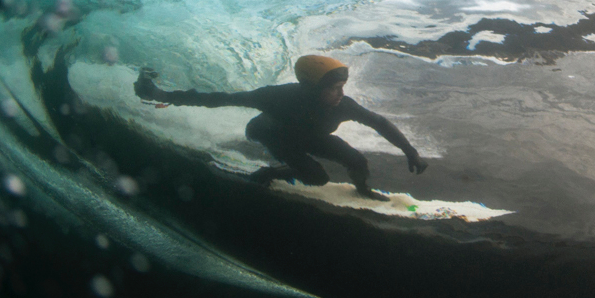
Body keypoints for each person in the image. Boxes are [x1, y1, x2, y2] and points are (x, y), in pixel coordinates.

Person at [133, 55, 427, 201]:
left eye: (342, 87)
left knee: (357, 161)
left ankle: (363, 191)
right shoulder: (277, 97)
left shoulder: (343, 105)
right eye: (334, 87)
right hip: (271, 133)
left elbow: (380, 123)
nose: (341, 94)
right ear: (313, 87)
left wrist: (410, 151)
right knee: (315, 177)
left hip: (310, 137)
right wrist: (161, 96)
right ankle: (271, 171)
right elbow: (219, 99)